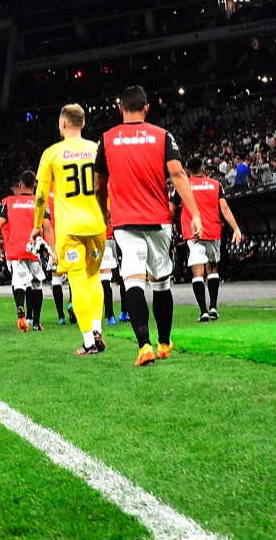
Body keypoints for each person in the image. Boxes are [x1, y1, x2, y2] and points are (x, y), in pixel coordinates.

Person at [95, 85, 201, 367]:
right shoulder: (161, 136)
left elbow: (99, 185)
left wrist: (103, 210)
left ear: (120, 109)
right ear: (146, 108)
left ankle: (144, 346)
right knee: (162, 282)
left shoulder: (106, 139)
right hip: (157, 220)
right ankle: (164, 343)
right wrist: (195, 213)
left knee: (132, 280)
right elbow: (177, 173)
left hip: (125, 223)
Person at [33, 104, 109, 355]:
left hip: (70, 228)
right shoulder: (97, 148)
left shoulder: (52, 153)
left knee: (76, 280)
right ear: (83, 124)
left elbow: (42, 194)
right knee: (94, 277)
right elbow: (106, 185)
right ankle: (97, 330)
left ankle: (88, 341)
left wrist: (36, 226)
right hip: (97, 224)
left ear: (63, 124)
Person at [179, 156, 244, 323]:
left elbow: (171, 208)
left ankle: (203, 312)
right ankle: (214, 307)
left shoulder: (183, 185)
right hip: (213, 231)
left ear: (188, 171)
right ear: (203, 169)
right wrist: (236, 229)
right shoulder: (216, 184)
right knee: (213, 268)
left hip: (194, 233)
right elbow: (224, 207)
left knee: (198, 271)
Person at [0, 171, 43, 332]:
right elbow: (45, 226)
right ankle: (35, 321)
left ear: (20, 185)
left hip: (15, 249)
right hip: (34, 248)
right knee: (36, 284)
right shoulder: (39, 202)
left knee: (19, 282)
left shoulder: (8, 203)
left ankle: (21, 308)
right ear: (35, 184)